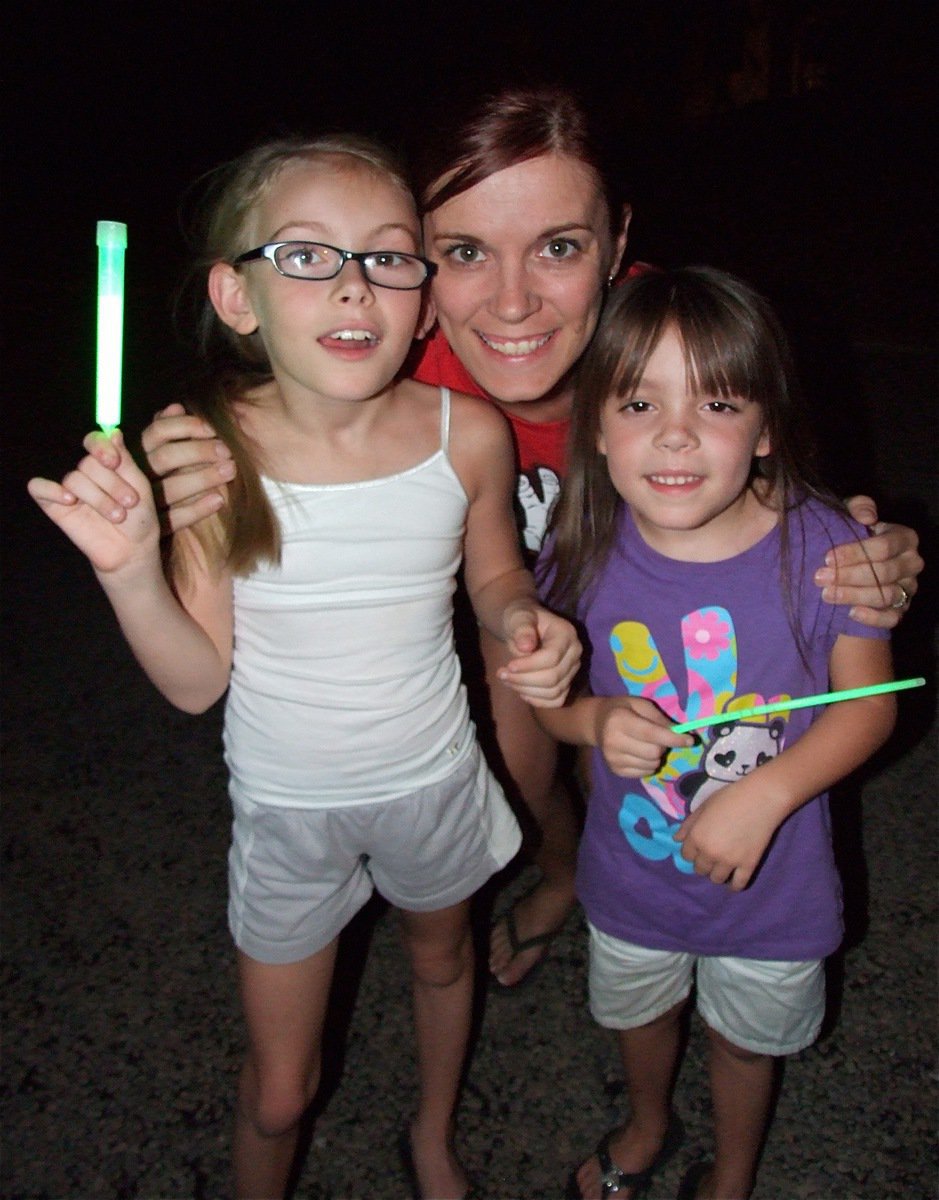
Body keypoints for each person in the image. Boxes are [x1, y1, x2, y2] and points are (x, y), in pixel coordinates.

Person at [83, 88, 923, 991]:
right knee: (511, 732)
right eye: (465, 252)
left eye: (559, 247)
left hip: (654, 580)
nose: (514, 303)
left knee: (655, 728)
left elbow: (776, 473)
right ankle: (564, 870)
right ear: (413, 264)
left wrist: (871, 548)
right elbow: (277, 370)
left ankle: (627, 883)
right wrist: (192, 445)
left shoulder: (666, 337)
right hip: (501, 589)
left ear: (615, 245)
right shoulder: (400, 363)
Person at [27, 135, 582, 1200]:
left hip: (433, 783)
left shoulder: (470, 436)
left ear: (423, 301)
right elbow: (196, 681)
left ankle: (432, 1132)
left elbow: (496, 578)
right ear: (237, 297)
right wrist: (132, 570)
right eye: (309, 256)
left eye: (388, 257)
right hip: (288, 812)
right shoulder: (209, 452)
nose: (356, 287)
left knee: (443, 959)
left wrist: (525, 624)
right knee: (279, 1093)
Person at [534, 266, 898, 1200]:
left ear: (766, 427)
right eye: (638, 400)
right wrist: (592, 719)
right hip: (631, 877)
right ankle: (648, 1122)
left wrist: (766, 794)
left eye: (719, 401)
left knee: (746, 1040)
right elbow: (552, 702)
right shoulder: (579, 548)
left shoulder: (823, 552)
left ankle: (732, 1174)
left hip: (773, 888)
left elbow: (871, 705)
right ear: (596, 427)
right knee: (641, 1014)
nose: (676, 433)